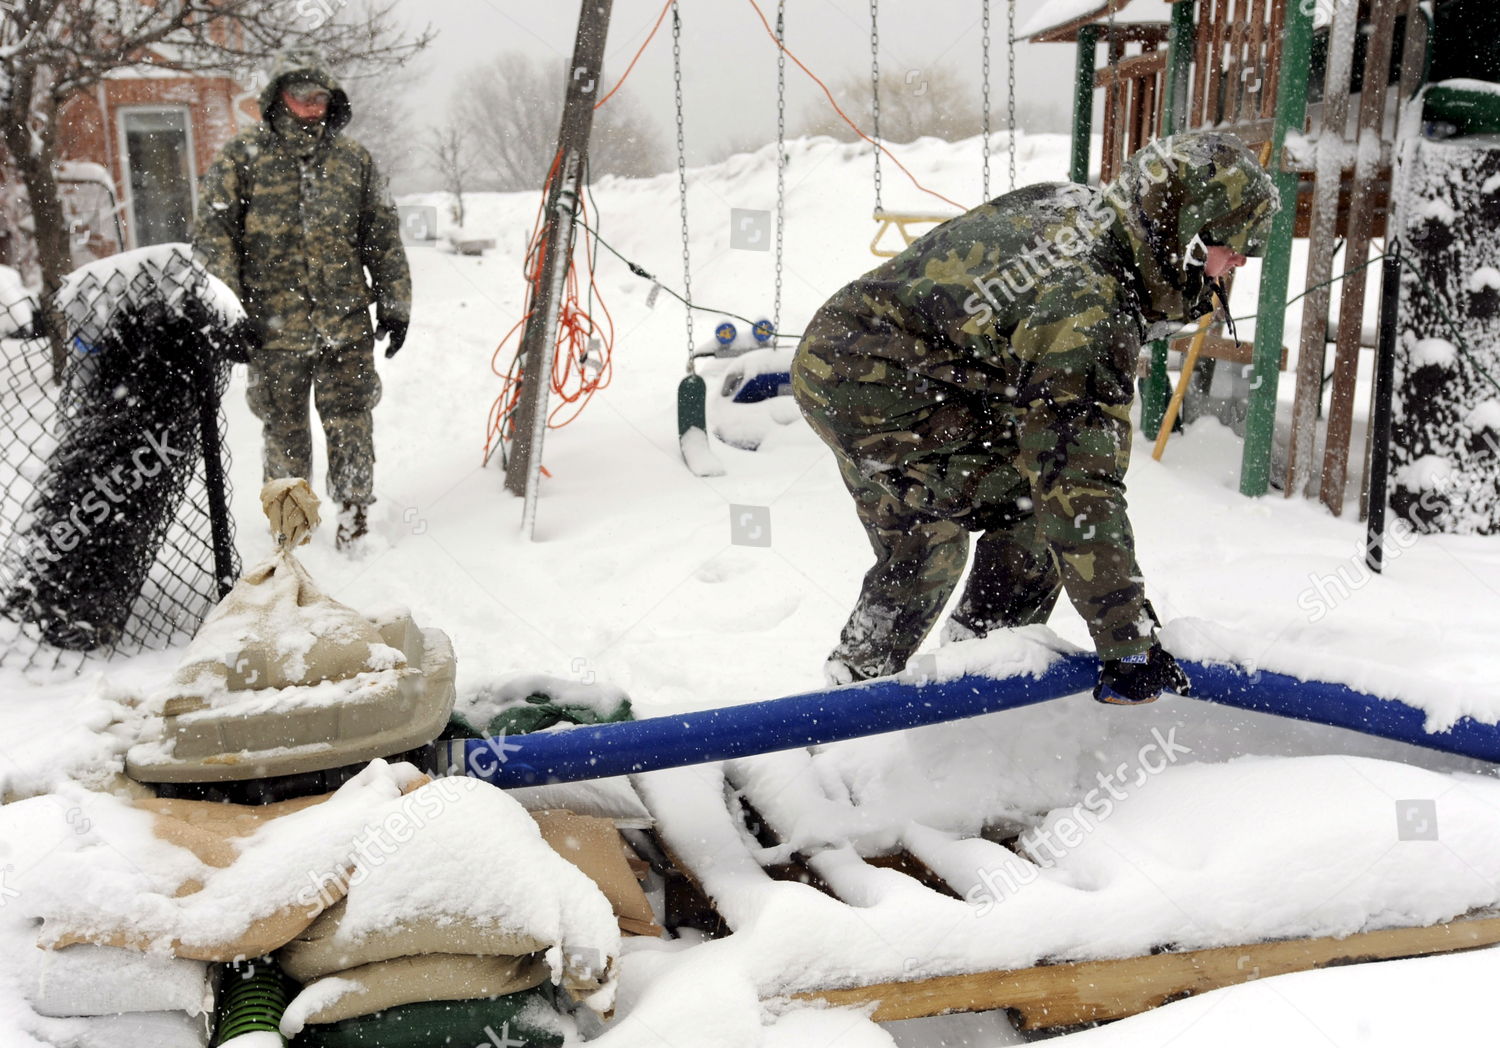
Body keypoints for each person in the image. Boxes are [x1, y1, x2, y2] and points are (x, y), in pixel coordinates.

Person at [792, 131, 1278, 703]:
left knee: (925, 544)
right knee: (1036, 508)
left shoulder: (1078, 212)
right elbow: (1076, 481)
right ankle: (983, 675)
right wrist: (1128, 642)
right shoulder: (1088, 300)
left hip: (848, 362)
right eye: (1231, 240)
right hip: (882, 388)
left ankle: (855, 692)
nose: (1240, 258)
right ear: (1187, 231)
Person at [194, 49, 410, 550]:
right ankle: (292, 530)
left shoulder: (353, 161)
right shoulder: (242, 158)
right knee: (283, 429)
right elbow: (214, 239)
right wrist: (228, 314)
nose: (311, 107)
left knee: (351, 419)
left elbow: (382, 235)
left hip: (345, 323)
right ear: (278, 98)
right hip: (272, 328)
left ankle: (355, 516)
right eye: (301, 96)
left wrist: (395, 304)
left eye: (320, 98)